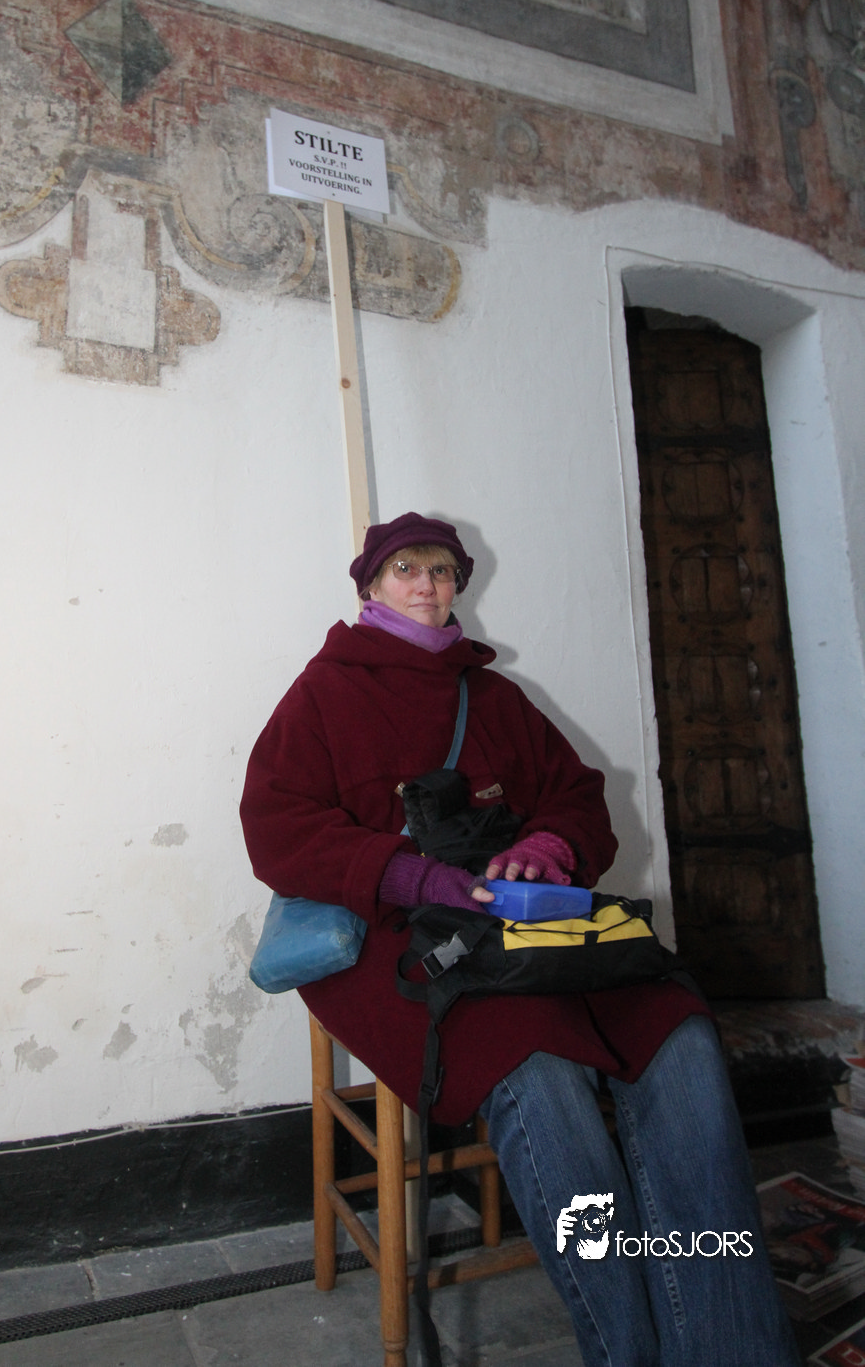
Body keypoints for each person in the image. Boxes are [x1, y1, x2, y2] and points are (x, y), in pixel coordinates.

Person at [240, 512, 801, 1366]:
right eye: (404, 568)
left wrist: (548, 846)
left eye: (440, 569)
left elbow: (575, 794)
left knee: (676, 1030)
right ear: (370, 585)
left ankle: (729, 1348)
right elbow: (276, 827)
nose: (425, 584)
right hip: (398, 938)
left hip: (521, 922)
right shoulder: (323, 691)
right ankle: (625, 1349)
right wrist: (408, 875)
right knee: (534, 1064)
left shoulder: (493, 695)